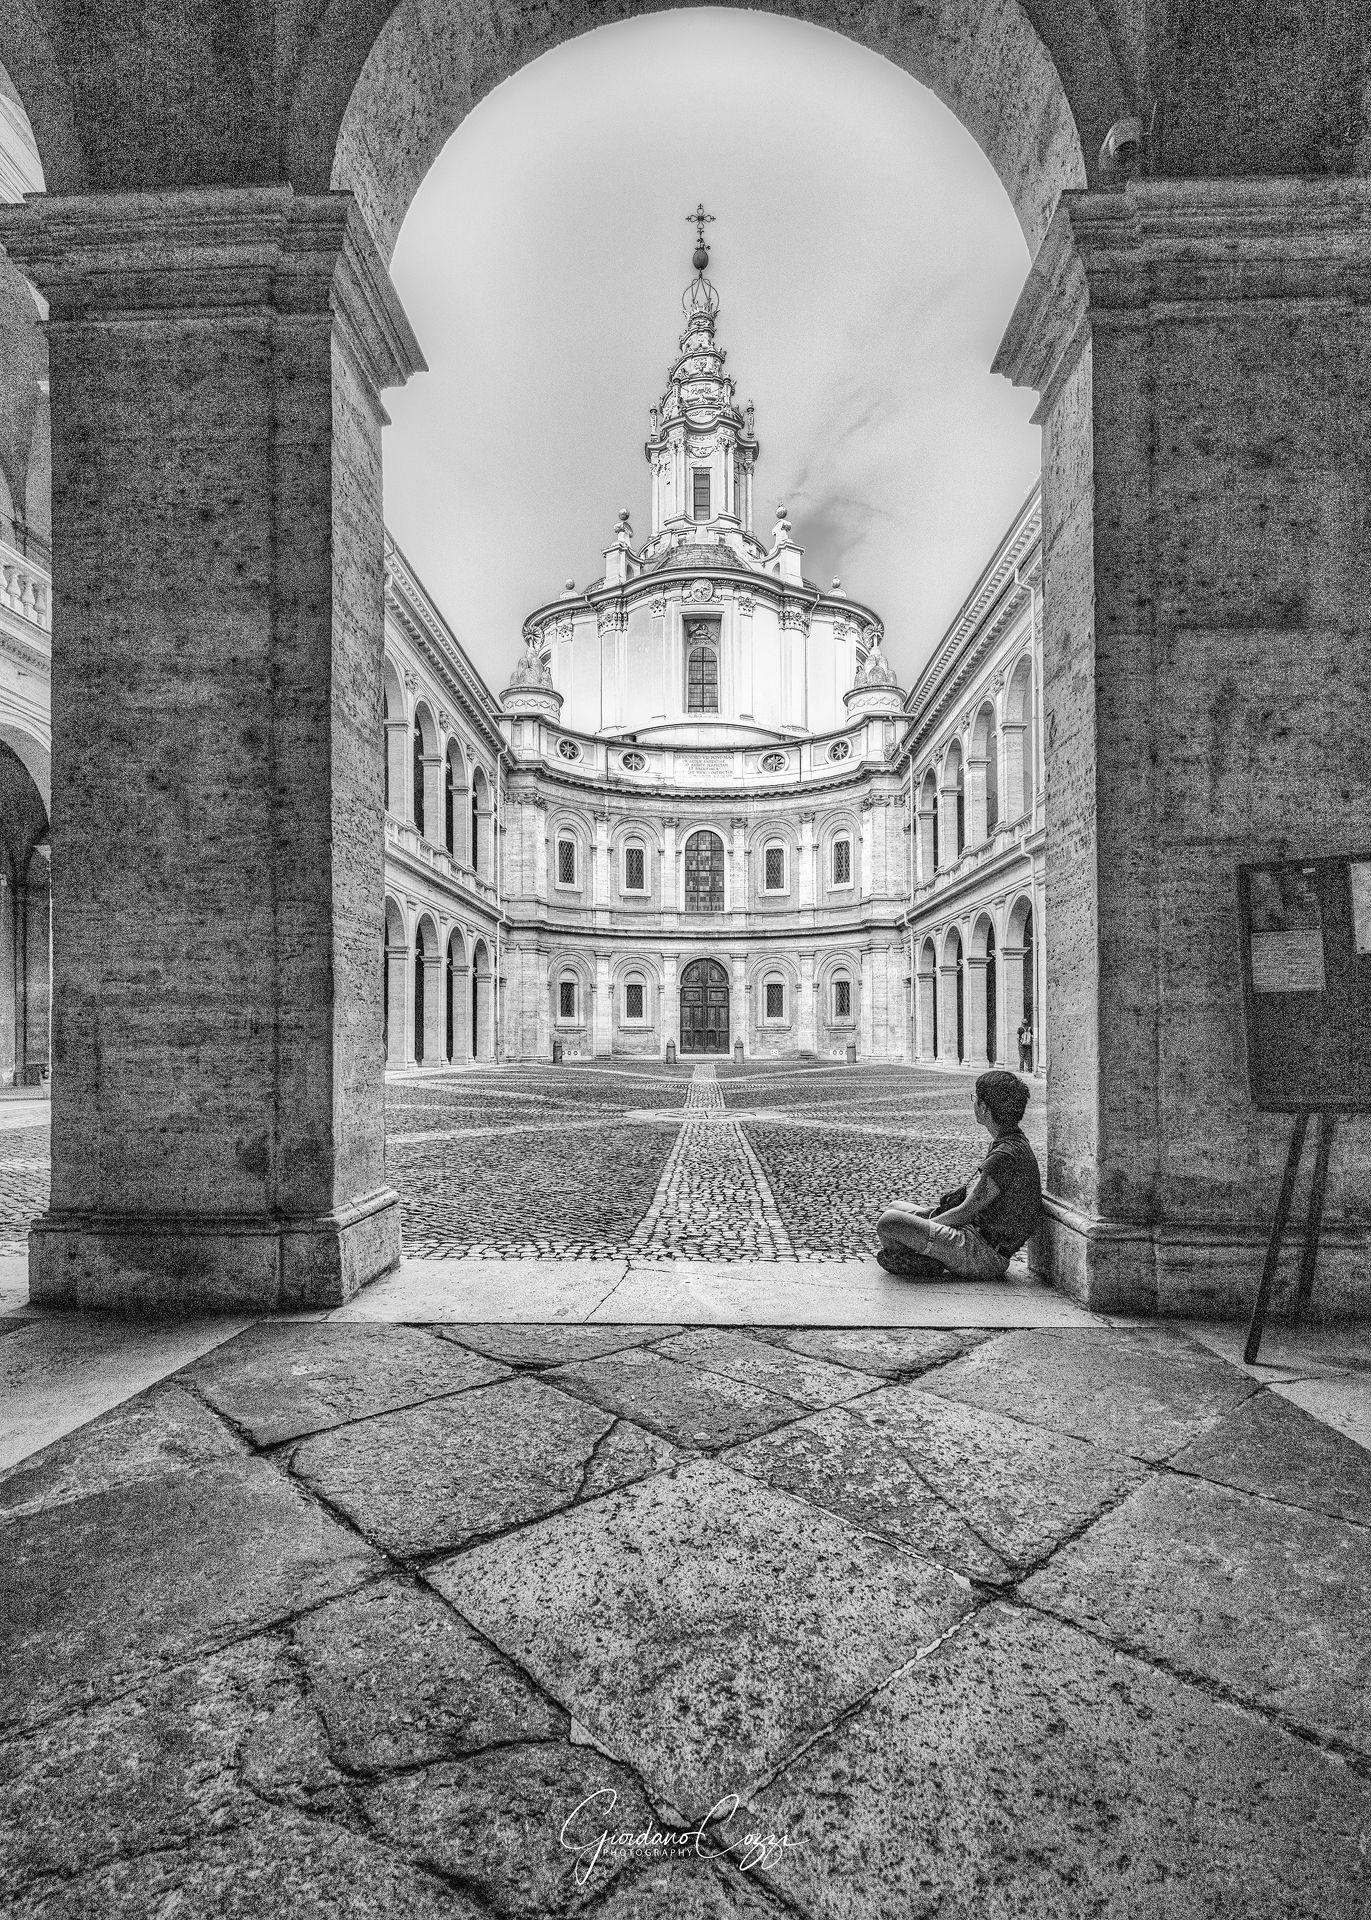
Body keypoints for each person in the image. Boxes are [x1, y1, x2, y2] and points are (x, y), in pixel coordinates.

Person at [876, 1070, 1041, 1278]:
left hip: (983, 1253)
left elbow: (965, 1212)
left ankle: (927, 1260)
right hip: (976, 1235)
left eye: (975, 1098)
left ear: (984, 1107)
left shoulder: (1004, 1156)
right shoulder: (1011, 1142)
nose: (974, 1103)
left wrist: (926, 1226)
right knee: (895, 1207)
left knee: (889, 1222)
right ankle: (926, 1259)